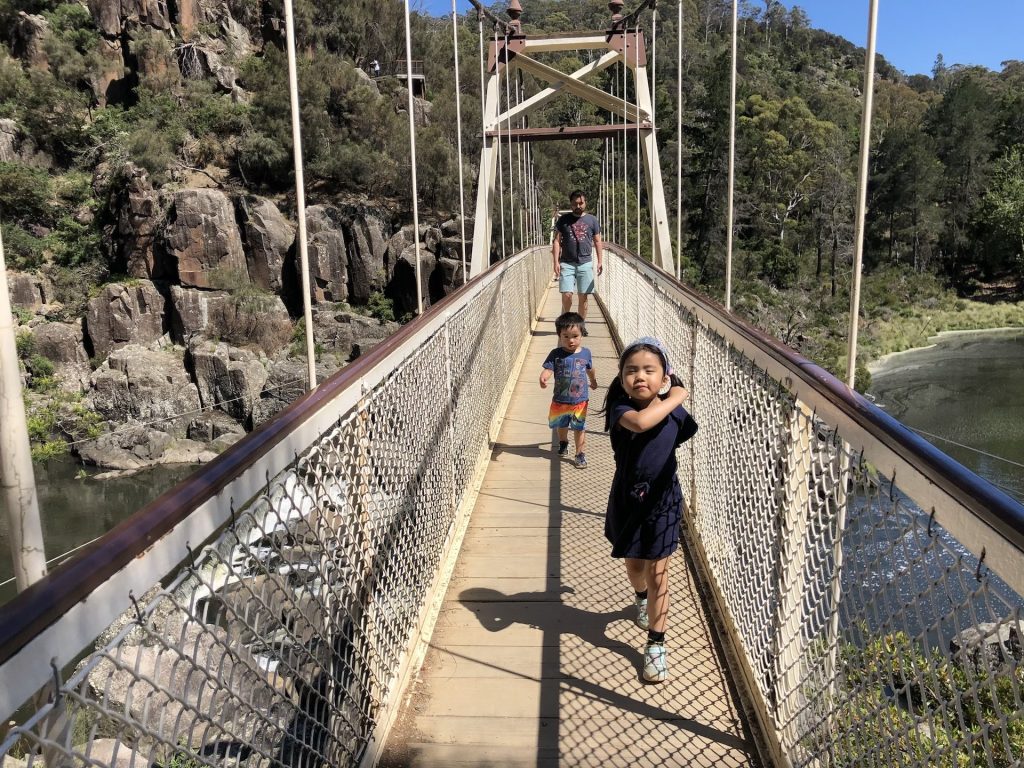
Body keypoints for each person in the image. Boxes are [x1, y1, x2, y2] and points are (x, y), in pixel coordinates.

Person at [601, 336, 697, 683]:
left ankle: (656, 644)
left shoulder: (673, 409)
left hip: (664, 500)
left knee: (658, 573)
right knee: (635, 566)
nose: (639, 377)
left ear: (664, 375)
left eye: (649, 370)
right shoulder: (620, 409)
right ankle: (640, 597)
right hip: (628, 500)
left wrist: (673, 400)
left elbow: (680, 433)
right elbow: (642, 424)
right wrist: (677, 395)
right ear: (621, 377)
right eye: (631, 371)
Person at [539, 311, 598, 469]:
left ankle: (580, 454)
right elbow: (548, 369)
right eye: (566, 336)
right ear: (559, 335)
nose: (570, 340)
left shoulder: (586, 353)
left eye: (575, 336)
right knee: (562, 425)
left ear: (581, 335)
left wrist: (593, 381)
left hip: (580, 401)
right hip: (560, 400)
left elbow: (590, 369)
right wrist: (544, 377)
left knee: (579, 427)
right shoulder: (556, 354)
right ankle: (564, 442)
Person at [552, 190, 603, 336]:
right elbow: (556, 241)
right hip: (567, 263)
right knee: (567, 295)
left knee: (583, 297)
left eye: (581, 203)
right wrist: (555, 261)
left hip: (585, 263)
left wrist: (600, 261)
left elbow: (598, 241)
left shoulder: (592, 220)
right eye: (575, 203)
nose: (578, 206)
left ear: (585, 202)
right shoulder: (563, 220)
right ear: (571, 204)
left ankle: (581, 325)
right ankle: (565, 322)